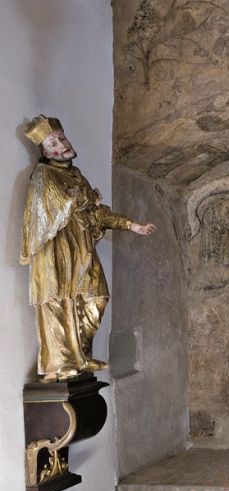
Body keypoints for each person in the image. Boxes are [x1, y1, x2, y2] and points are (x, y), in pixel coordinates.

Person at [20, 115, 156, 381]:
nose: (61, 145)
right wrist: (86, 197)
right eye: (52, 144)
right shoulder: (44, 176)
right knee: (59, 303)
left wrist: (131, 225)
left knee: (96, 300)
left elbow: (95, 211)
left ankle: (81, 355)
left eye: (61, 138)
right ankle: (60, 364)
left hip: (81, 250)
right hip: (56, 252)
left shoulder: (75, 174)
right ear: (44, 152)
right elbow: (61, 206)